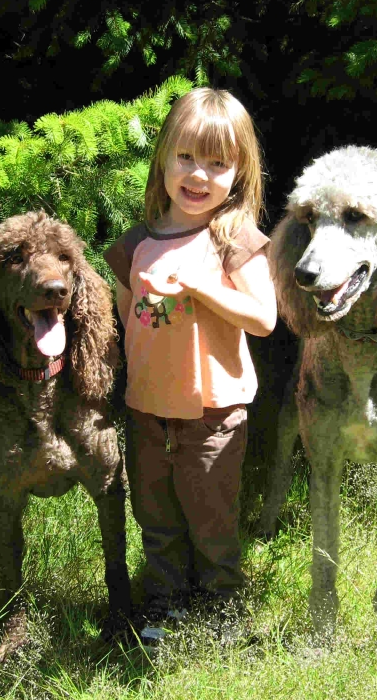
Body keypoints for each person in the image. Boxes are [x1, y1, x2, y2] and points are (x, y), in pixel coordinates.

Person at [104, 87, 276, 643]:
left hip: (211, 413)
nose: (198, 175)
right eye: (186, 157)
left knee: (211, 517)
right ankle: (166, 602)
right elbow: (129, 318)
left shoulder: (234, 241)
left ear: (240, 172)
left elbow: (263, 318)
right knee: (156, 516)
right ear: (163, 157)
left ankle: (223, 605)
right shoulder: (137, 245)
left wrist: (205, 287)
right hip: (147, 408)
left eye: (218, 163)